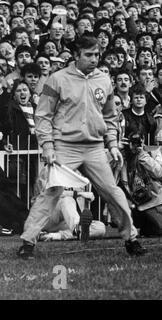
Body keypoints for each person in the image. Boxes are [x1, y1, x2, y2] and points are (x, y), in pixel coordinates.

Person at [17, 35, 146, 259]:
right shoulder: (56, 79)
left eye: (97, 55)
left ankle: (131, 238)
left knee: (114, 193)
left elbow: (110, 117)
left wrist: (113, 144)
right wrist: (47, 147)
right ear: (76, 56)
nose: (94, 59)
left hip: (95, 147)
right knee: (50, 193)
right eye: (88, 55)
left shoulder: (104, 80)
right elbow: (43, 115)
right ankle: (28, 242)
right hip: (64, 146)